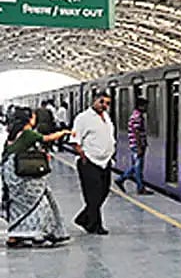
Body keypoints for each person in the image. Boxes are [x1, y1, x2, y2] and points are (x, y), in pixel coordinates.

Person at [2, 107, 71, 248]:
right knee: (39, 203)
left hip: (11, 173)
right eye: (33, 117)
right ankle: (37, 234)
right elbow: (46, 138)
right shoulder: (28, 134)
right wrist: (63, 132)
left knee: (17, 205)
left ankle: (14, 236)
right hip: (24, 174)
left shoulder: (12, 133)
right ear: (29, 119)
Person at [71, 92, 116, 235]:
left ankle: (84, 218)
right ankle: (96, 225)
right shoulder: (83, 118)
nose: (104, 106)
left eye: (107, 103)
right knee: (93, 195)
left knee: (104, 191)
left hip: (105, 161)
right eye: (101, 102)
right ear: (94, 101)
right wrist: (83, 156)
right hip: (89, 161)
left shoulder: (106, 118)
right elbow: (75, 140)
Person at [116, 97, 150, 195]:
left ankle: (122, 179)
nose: (147, 108)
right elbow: (136, 131)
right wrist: (139, 146)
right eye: (145, 106)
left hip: (136, 144)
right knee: (138, 167)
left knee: (136, 166)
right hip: (137, 145)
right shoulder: (137, 117)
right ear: (141, 106)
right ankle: (139, 187)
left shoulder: (136, 115)